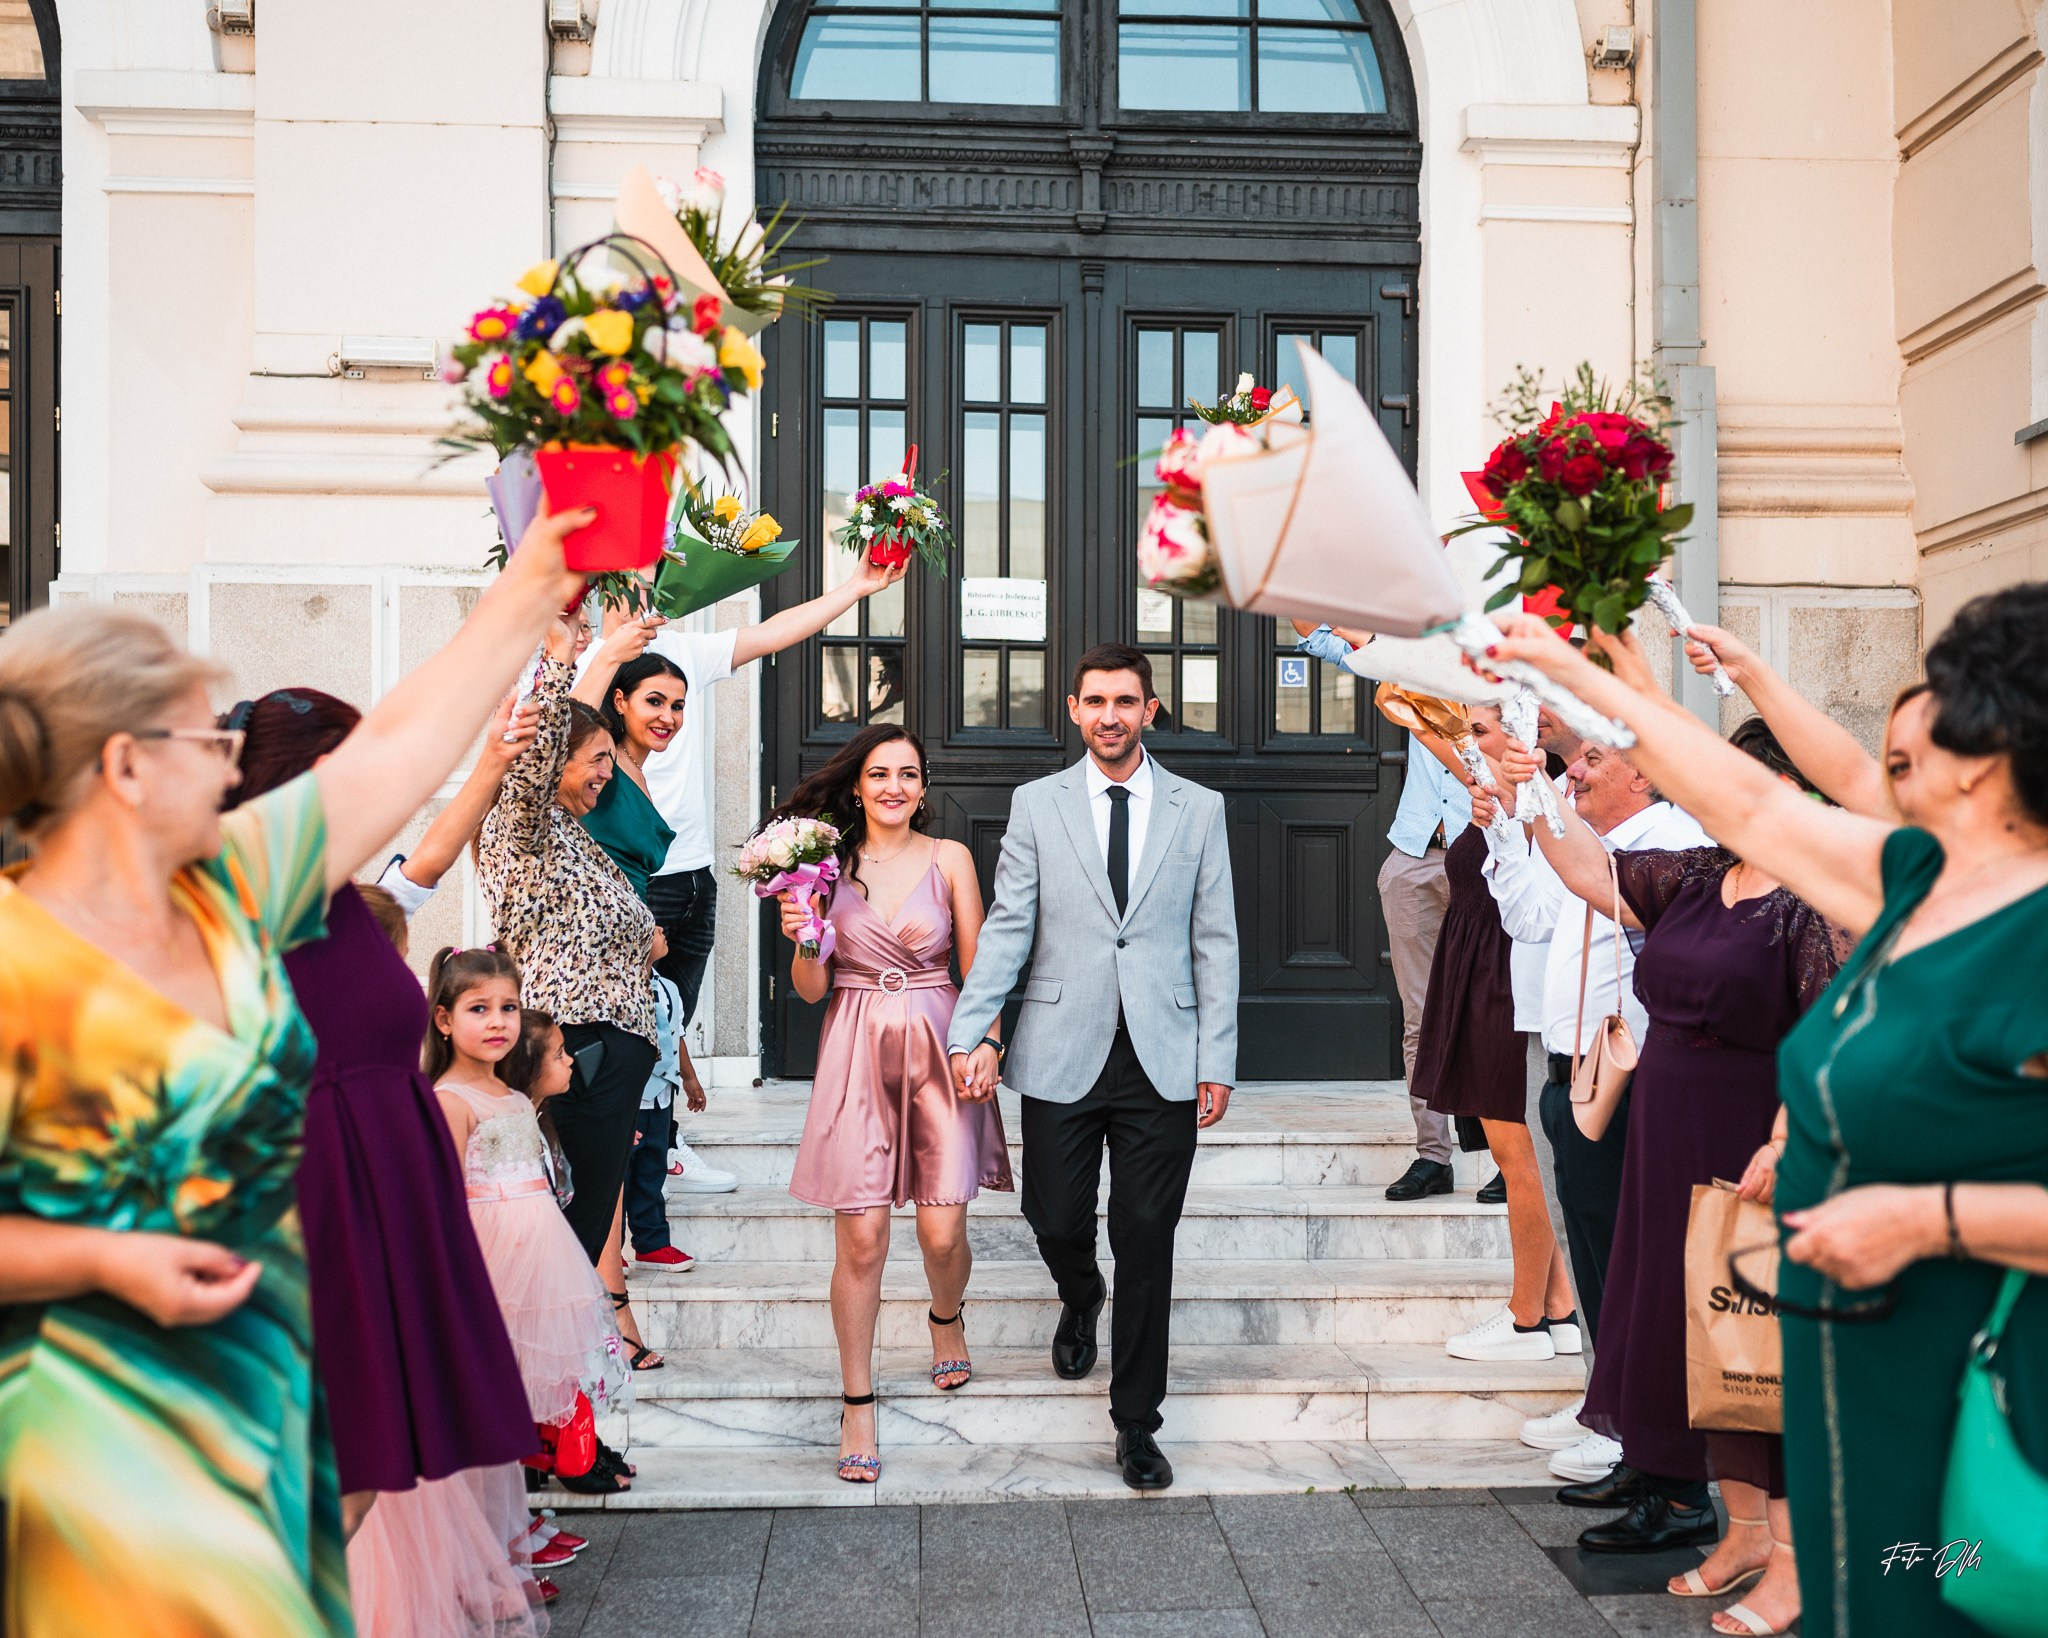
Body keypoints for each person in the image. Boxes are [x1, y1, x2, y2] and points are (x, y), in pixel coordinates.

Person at [0, 507, 587, 1636]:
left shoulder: (232, 882)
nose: (230, 764)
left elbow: (397, 750)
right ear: (123, 768)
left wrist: (539, 574)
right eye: (201, 740)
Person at [1481, 587, 2048, 1638]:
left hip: (1983, 1376)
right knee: (1876, 1590)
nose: (1887, 761)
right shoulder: (1923, 878)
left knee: (1960, 1593)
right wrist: (1576, 677)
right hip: (1861, 1372)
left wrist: (1929, 1221)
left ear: (1984, 746)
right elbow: (1755, 805)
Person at [1503, 713, 1847, 1631]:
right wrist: (1532, 785)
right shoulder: (1700, 876)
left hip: (1755, 1137)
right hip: (1668, 1127)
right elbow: (1587, 869)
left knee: (1762, 1346)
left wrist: (1786, 1137)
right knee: (1701, 1341)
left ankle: (1792, 1562)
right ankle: (1738, 1533)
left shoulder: (1812, 899)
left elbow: (1832, 1036)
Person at [222, 688, 537, 1547]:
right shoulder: (263, 890)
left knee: (352, 1472)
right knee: (327, 1470)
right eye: (353, 767)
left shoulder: (338, 898)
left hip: (385, 1191)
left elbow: (429, 853)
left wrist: (496, 757)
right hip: (324, 1194)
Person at [949, 643, 1239, 1492]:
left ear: (1151, 709)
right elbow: (1009, 926)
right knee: (1057, 1218)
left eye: (1126, 700)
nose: (1110, 715)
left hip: (1164, 1055)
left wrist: (1215, 1057)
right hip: (1060, 1046)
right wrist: (975, 1028)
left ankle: (1136, 1422)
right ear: (1073, 711)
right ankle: (1081, 1295)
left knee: (1146, 1236)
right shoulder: (1037, 805)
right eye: (1095, 701)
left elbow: (1215, 940)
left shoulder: (1199, 808)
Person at [773, 725, 1012, 1483]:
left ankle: (946, 1317)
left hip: (941, 1043)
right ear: (856, 786)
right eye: (880, 774)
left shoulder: (952, 860)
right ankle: (857, 1401)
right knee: (864, 1240)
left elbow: (980, 966)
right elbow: (810, 989)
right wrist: (804, 936)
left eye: (909, 774)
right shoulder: (820, 866)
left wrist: (989, 1044)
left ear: (922, 785)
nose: (894, 787)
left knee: (942, 1233)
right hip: (854, 1046)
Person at [1481, 719, 1710, 1488]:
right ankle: (1602, 1402)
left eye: (1595, 759)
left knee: (1623, 1258)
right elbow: (1531, 919)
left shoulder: (1671, 843)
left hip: (1626, 1075)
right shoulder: (1584, 836)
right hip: (1570, 1070)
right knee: (1593, 1251)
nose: (1576, 770)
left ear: (1644, 775)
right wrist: (1510, 834)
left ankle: (1628, 1430)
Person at [624, 557, 909, 1029]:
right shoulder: (584, 660)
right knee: (623, 1037)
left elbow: (774, 632)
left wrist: (855, 587)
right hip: (633, 880)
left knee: (669, 1031)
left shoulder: (681, 650)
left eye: (647, 568)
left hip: (693, 877)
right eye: (628, 568)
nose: (640, 582)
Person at [475, 617, 660, 1294]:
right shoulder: (526, 828)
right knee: (557, 1256)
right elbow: (528, 761)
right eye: (598, 758)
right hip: (576, 1055)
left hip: (610, 1065)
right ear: (556, 760)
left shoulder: (577, 841)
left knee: (571, 1251)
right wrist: (559, 656)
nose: (609, 776)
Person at [1408, 701, 1580, 1364]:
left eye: (1479, 731)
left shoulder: (1542, 804)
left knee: (1522, 1160)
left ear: (1519, 737)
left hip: (1511, 985)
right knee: (1516, 1156)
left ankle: (1524, 1319)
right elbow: (1424, 724)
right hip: (1482, 977)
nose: (1466, 745)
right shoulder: (1495, 792)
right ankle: (1561, 1309)